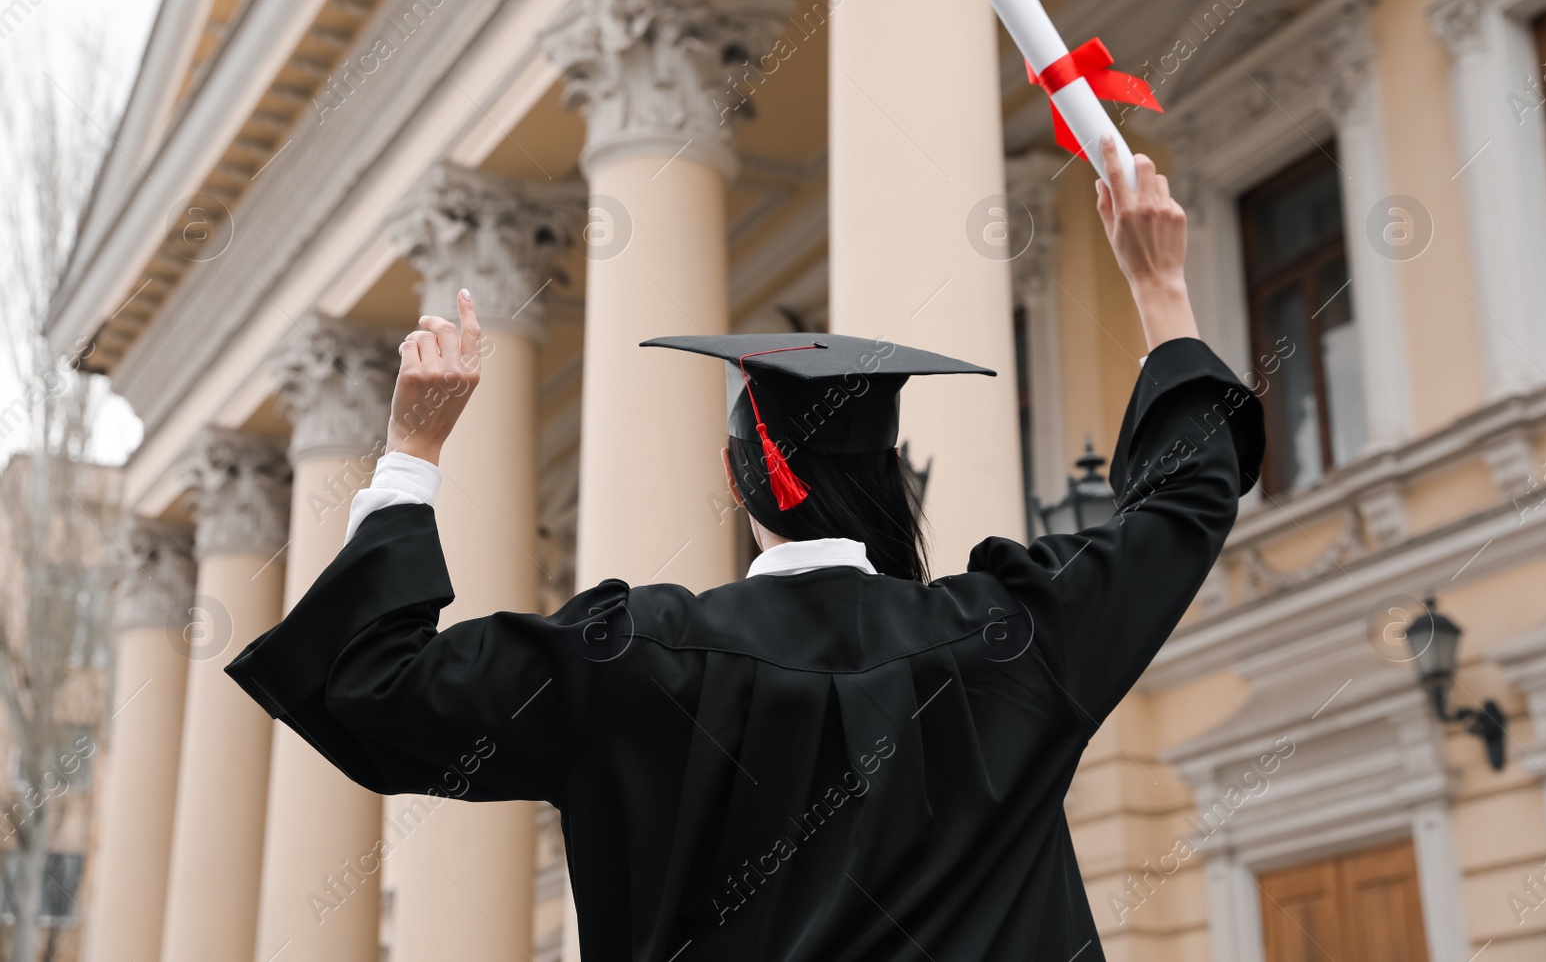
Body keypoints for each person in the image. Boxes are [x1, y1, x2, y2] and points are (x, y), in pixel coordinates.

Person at [227, 140, 1263, 961]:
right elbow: (1185, 498)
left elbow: (371, 682)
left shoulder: (632, 658)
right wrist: (1158, 283)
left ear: (738, 480)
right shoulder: (1010, 640)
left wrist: (414, 446)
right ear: (892, 473)